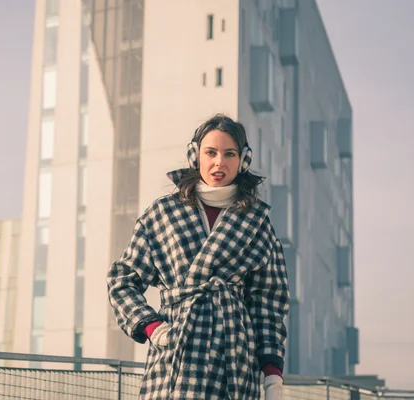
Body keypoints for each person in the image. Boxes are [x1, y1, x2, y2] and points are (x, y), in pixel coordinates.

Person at [106, 113, 290, 399]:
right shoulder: (163, 213)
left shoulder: (256, 221)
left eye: (230, 153)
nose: (219, 162)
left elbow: (268, 304)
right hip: (176, 356)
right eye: (211, 153)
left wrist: (273, 376)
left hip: (234, 360)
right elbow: (122, 281)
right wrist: (154, 328)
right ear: (196, 156)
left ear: (243, 160)